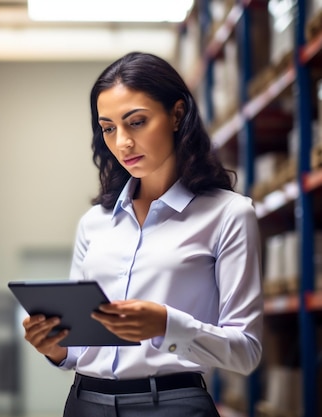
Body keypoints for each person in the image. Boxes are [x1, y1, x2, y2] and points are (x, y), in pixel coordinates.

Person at [21, 52, 263, 417]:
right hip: (85, 403)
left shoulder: (228, 214)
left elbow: (246, 351)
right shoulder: (95, 222)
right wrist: (54, 347)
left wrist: (167, 325)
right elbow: (78, 347)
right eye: (108, 128)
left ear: (177, 115)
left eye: (136, 122)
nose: (122, 143)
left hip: (172, 406)